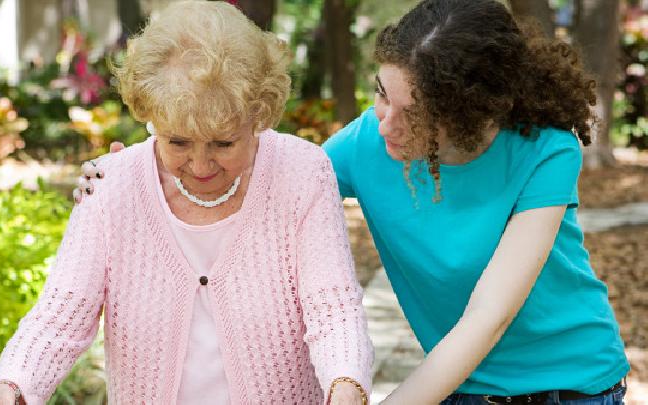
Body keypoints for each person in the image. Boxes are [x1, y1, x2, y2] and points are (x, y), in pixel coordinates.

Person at [78, 0, 632, 403]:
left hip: (574, 386)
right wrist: (142, 178)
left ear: (468, 113)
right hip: (459, 389)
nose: (384, 123)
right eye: (381, 95)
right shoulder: (369, 141)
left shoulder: (545, 152)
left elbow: (488, 316)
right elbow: (271, 185)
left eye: (412, 114)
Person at [0, 2, 374, 404]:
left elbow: (332, 308)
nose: (201, 165)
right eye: (178, 142)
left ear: (258, 116)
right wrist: (12, 386)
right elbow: (59, 318)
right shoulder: (110, 187)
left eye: (223, 143)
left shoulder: (303, 173)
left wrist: (346, 385)